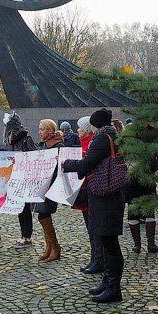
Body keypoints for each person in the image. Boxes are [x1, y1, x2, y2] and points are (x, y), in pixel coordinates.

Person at [62, 108, 125, 303]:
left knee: (110, 244)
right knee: (106, 241)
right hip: (107, 196)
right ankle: (107, 282)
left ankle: (113, 288)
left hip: (105, 196)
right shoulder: (110, 137)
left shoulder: (101, 139)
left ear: (95, 125)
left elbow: (86, 164)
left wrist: (66, 163)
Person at [73, 116, 102, 274]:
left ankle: (98, 259)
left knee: (94, 228)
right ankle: (95, 258)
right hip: (84, 191)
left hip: (90, 189)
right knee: (90, 228)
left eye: (80, 127)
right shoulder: (84, 143)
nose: (77, 130)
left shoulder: (92, 144)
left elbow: (86, 165)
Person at [3, 112, 37, 249]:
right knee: (19, 208)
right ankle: (23, 234)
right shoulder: (10, 141)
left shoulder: (26, 139)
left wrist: (25, 156)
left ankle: (27, 236)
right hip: (14, 178)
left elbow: (35, 156)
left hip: (24, 178)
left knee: (25, 209)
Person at [36, 119, 64, 261]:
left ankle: (55, 246)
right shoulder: (43, 146)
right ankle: (50, 246)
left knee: (44, 214)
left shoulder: (58, 146)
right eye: (39, 129)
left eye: (42, 129)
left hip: (51, 185)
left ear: (50, 130)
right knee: (42, 214)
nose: (39, 132)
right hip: (42, 185)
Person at [125, 153, 158, 255]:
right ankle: (150, 245)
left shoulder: (125, 145)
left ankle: (137, 245)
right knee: (149, 213)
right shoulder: (147, 146)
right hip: (146, 180)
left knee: (133, 213)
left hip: (131, 179)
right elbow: (154, 165)